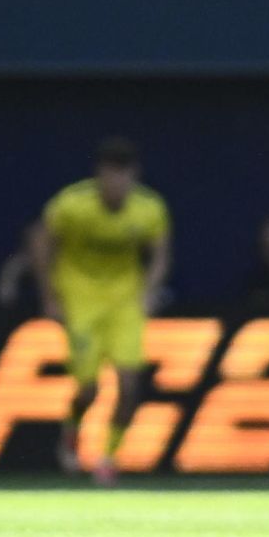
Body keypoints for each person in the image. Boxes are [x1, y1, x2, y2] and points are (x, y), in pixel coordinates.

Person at [34, 138, 171, 486]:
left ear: (133, 176)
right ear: (99, 175)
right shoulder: (72, 204)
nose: (116, 183)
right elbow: (41, 241)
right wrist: (50, 296)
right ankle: (72, 430)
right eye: (110, 175)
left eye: (123, 175)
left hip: (124, 301)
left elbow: (159, 256)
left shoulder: (149, 209)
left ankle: (108, 457)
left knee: (129, 385)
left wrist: (150, 292)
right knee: (89, 391)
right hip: (81, 299)